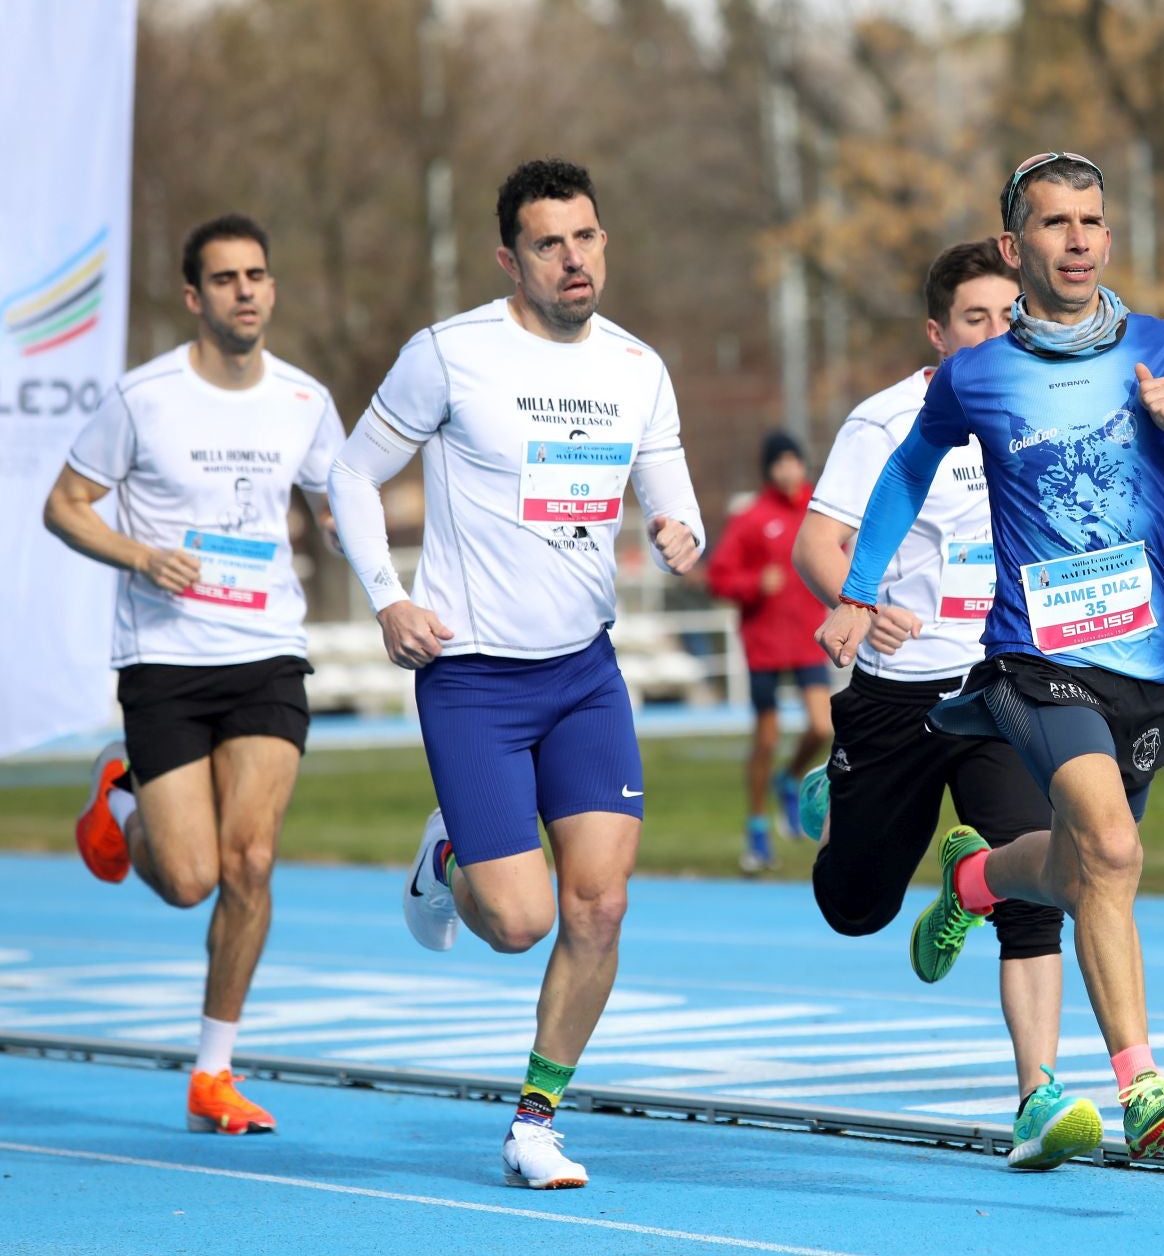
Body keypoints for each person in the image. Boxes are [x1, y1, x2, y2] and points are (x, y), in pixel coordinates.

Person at [815, 152, 1164, 1161]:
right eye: (1057, 223)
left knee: (1076, 867)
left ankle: (977, 878)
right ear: (1017, 247)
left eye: (1093, 222)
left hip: (1143, 663)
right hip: (1033, 658)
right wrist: (859, 591)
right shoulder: (977, 375)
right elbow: (905, 470)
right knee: (1112, 849)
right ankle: (1140, 1082)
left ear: (1110, 237)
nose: (1079, 239)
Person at [326, 159, 704, 1190]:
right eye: (550, 242)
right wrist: (387, 598)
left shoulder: (637, 366)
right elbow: (350, 474)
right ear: (511, 258)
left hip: (584, 672)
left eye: (587, 236)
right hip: (474, 679)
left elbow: (678, 502)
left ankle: (536, 1119)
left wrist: (681, 531)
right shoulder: (449, 355)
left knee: (600, 906)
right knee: (521, 919)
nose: (574, 258)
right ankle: (444, 862)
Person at [790, 239, 1101, 1170]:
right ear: (939, 335)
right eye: (977, 319)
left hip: (1005, 685)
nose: (999, 333)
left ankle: (1038, 1096)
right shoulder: (887, 422)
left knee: (1041, 891)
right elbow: (819, 542)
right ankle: (834, 800)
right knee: (856, 907)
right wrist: (859, 601)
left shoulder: (1050, 411)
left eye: (1012, 315)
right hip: (897, 699)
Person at [48, 213, 345, 1136]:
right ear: (194, 296)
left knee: (250, 862)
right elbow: (66, 507)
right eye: (225, 279)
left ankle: (213, 1073)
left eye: (258, 275)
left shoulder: (304, 401)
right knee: (187, 879)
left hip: (266, 654)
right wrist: (139, 557)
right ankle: (122, 791)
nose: (246, 291)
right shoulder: (145, 399)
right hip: (166, 659)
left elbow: (342, 506)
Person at [705, 431, 831, 871]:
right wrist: (754, 584)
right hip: (764, 645)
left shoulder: (820, 505)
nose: (788, 471)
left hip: (810, 639)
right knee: (767, 738)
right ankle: (757, 828)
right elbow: (718, 577)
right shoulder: (751, 518)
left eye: (794, 462)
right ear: (768, 470)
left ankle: (790, 778)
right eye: (779, 463)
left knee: (822, 725)